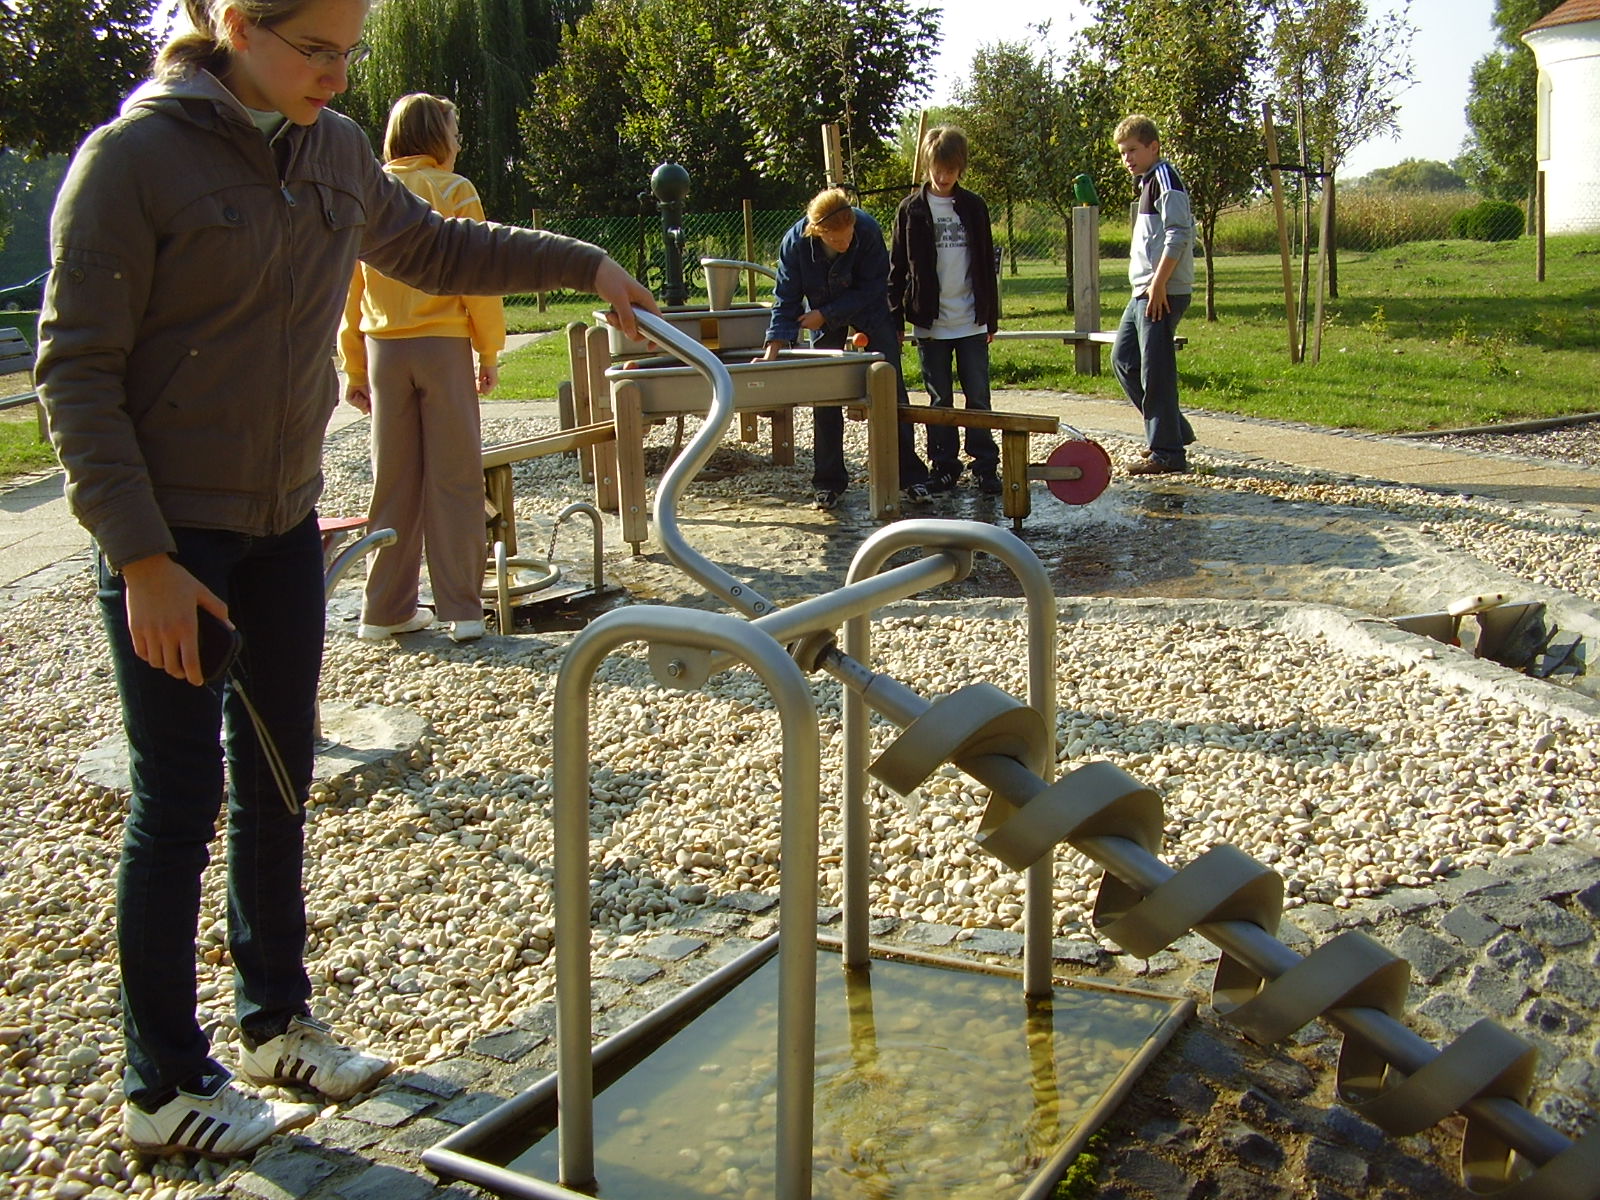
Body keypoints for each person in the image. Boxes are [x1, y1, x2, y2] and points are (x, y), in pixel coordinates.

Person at [35, 0, 656, 1161]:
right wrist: (141, 559)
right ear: (236, 23)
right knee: (178, 804)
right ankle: (159, 1083)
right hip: (171, 540)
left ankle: (274, 1024)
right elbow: (76, 370)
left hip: (280, 527)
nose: (337, 73)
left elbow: (443, 250)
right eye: (315, 49)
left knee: (278, 780)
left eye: (350, 50)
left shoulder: (333, 152)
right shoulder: (132, 160)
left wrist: (585, 264)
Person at [338, 92, 500, 645]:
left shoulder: (369, 191)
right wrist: (488, 350)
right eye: (454, 132)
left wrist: (353, 367)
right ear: (436, 137)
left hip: (383, 347)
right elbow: (479, 272)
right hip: (443, 343)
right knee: (454, 478)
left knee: (392, 480)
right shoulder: (454, 191)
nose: (458, 142)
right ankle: (463, 610)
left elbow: (351, 287)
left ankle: (383, 609)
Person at [762, 188, 932, 510]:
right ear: (817, 232)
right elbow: (785, 299)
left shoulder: (867, 230)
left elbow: (874, 288)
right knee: (825, 395)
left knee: (892, 389)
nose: (844, 243)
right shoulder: (794, 244)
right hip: (822, 316)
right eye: (836, 240)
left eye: (848, 235)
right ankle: (828, 482)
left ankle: (910, 475)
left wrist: (826, 314)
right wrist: (773, 348)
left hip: (869, 312)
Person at [889, 125, 1002, 496]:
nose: (943, 176)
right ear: (928, 165)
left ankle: (985, 466)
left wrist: (991, 317)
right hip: (930, 322)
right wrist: (896, 318)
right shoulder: (910, 210)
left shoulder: (974, 207)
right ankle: (944, 466)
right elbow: (897, 268)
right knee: (940, 400)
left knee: (978, 396)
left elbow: (985, 264)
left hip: (971, 319)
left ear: (960, 168)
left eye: (950, 169)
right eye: (938, 169)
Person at [1110, 114, 1196, 475]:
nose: (1127, 158)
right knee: (1124, 359)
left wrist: (1160, 283)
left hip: (1161, 290)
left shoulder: (1165, 178)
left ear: (1153, 147)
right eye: (1122, 152)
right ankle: (1173, 431)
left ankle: (1167, 452)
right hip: (1143, 290)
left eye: (1132, 150)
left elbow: (1179, 233)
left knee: (1155, 370)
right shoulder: (1146, 181)